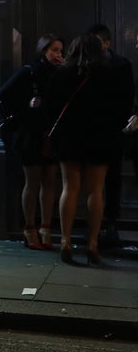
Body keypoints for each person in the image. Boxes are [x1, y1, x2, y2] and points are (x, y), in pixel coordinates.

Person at [46, 33, 125, 266]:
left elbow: (50, 108)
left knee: (69, 189)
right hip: (100, 138)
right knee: (96, 190)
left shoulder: (62, 74)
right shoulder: (111, 75)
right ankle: (92, 244)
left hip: (70, 138)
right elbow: (120, 109)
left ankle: (66, 242)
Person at [0, 34, 64, 249]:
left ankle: (45, 226)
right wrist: (26, 106)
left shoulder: (61, 74)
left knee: (50, 182)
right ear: (43, 50)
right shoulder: (29, 72)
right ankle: (29, 227)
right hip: (30, 134)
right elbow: (1, 96)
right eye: (54, 50)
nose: (58, 55)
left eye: (61, 51)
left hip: (51, 134)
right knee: (32, 182)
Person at [87, 24, 136, 248]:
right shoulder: (88, 64)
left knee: (112, 179)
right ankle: (97, 224)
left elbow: (127, 98)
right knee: (92, 181)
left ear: (107, 43)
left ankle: (111, 223)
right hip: (93, 130)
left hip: (113, 130)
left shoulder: (122, 65)